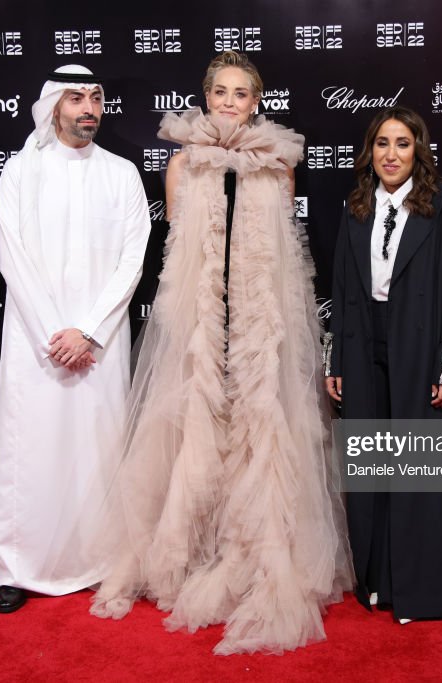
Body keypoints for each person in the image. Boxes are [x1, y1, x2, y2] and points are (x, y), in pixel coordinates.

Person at [90, 51, 352, 654]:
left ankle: (256, 552)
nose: (231, 102)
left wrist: (278, 333)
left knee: (260, 429)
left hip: (260, 322)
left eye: (241, 93)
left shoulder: (277, 165)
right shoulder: (182, 166)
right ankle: (189, 552)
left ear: (256, 102)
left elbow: (287, 262)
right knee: (195, 429)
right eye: (221, 92)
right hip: (205, 320)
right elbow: (180, 258)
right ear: (206, 97)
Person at [0, 65, 151, 614]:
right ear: (53, 105)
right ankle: (19, 568)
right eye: (76, 98)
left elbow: (133, 259)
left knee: (98, 453)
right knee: (28, 452)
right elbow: (14, 260)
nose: (89, 108)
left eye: (96, 98)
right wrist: (56, 333)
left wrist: (88, 332)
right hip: (37, 344)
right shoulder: (19, 171)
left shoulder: (123, 173)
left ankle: (101, 562)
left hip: (98, 346)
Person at [325, 106, 442, 625]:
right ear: (369, 152)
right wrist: (338, 356)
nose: (391, 154)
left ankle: (424, 590)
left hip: (420, 343)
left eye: (402, 143)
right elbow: (344, 288)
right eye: (381, 144)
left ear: (418, 149)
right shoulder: (356, 205)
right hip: (365, 342)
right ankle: (377, 582)